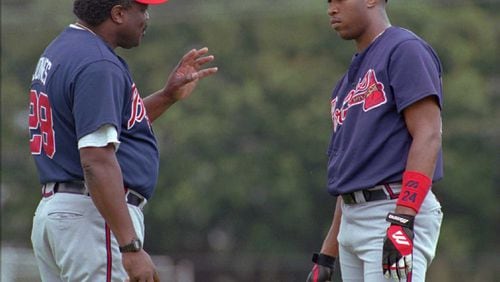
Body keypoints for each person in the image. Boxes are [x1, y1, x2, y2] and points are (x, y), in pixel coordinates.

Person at [28, 0, 217, 281]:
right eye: (141, 10)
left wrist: (167, 96)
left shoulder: (64, 48)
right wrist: (130, 246)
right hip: (93, 217)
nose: (146, 18)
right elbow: (96, 160)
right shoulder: (99, 63)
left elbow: (115, 128)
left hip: (62, 213)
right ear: (117, 13)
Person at [307, 0, 443, 281]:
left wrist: (403, 218)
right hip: (352, 222)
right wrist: (327, 253)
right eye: (328, 2)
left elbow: (428, 134)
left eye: (339, 0)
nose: (331, 9)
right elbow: (353, 173)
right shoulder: (346, 84)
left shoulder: (404, 49)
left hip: (392, 210)